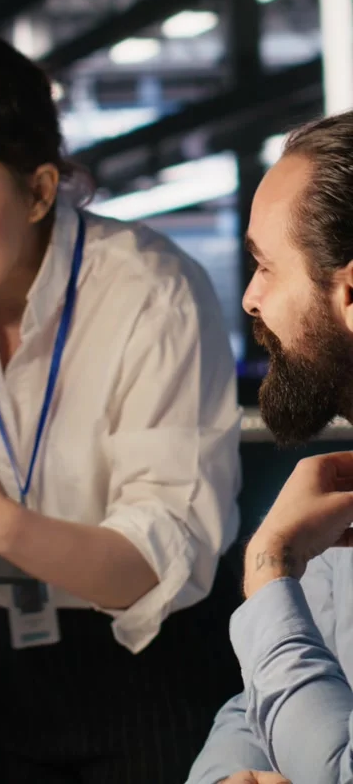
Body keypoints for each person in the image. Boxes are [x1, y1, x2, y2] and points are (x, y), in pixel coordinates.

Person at [0, 27, 243, 784]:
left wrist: (1, 527)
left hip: (151, 666)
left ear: (41, 189)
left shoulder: (150, 292)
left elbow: (156, 563)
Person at [187, 109, 353, 784]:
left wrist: (268, 566)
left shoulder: (301, 525)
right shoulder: (335, 488)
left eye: (265, 267)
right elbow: (266, 691)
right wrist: (228, 777)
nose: (251, 299)